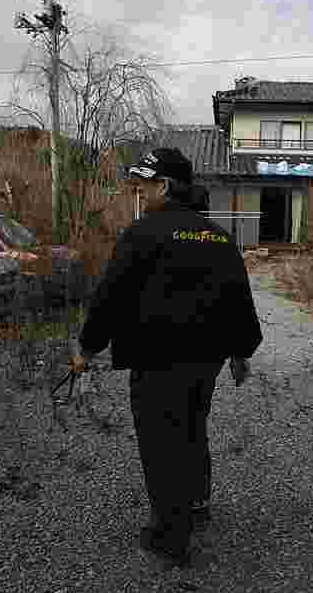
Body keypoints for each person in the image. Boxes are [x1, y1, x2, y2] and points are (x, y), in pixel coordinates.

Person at [67, 147, 263, 567]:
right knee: (192, 425)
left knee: (161, 442)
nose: (139, 194)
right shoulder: (218, 237)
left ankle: (170, 536)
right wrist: (240, 353)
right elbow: (238, 302)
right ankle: (196, 502)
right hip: (205, 360)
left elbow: (110, 297)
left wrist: (87, 346)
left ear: (165, 186)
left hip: (157, 360)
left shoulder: (143, 234)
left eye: (143, 186)